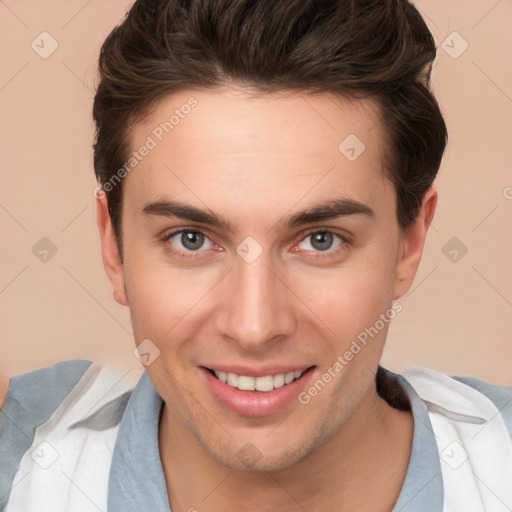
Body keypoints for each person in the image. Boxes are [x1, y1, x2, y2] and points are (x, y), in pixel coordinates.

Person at [1, 0, 511, 511]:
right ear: (113, 246)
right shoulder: (21, 457)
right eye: (191, 239)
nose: (254, 327)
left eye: (320, 240)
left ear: (410, 242)